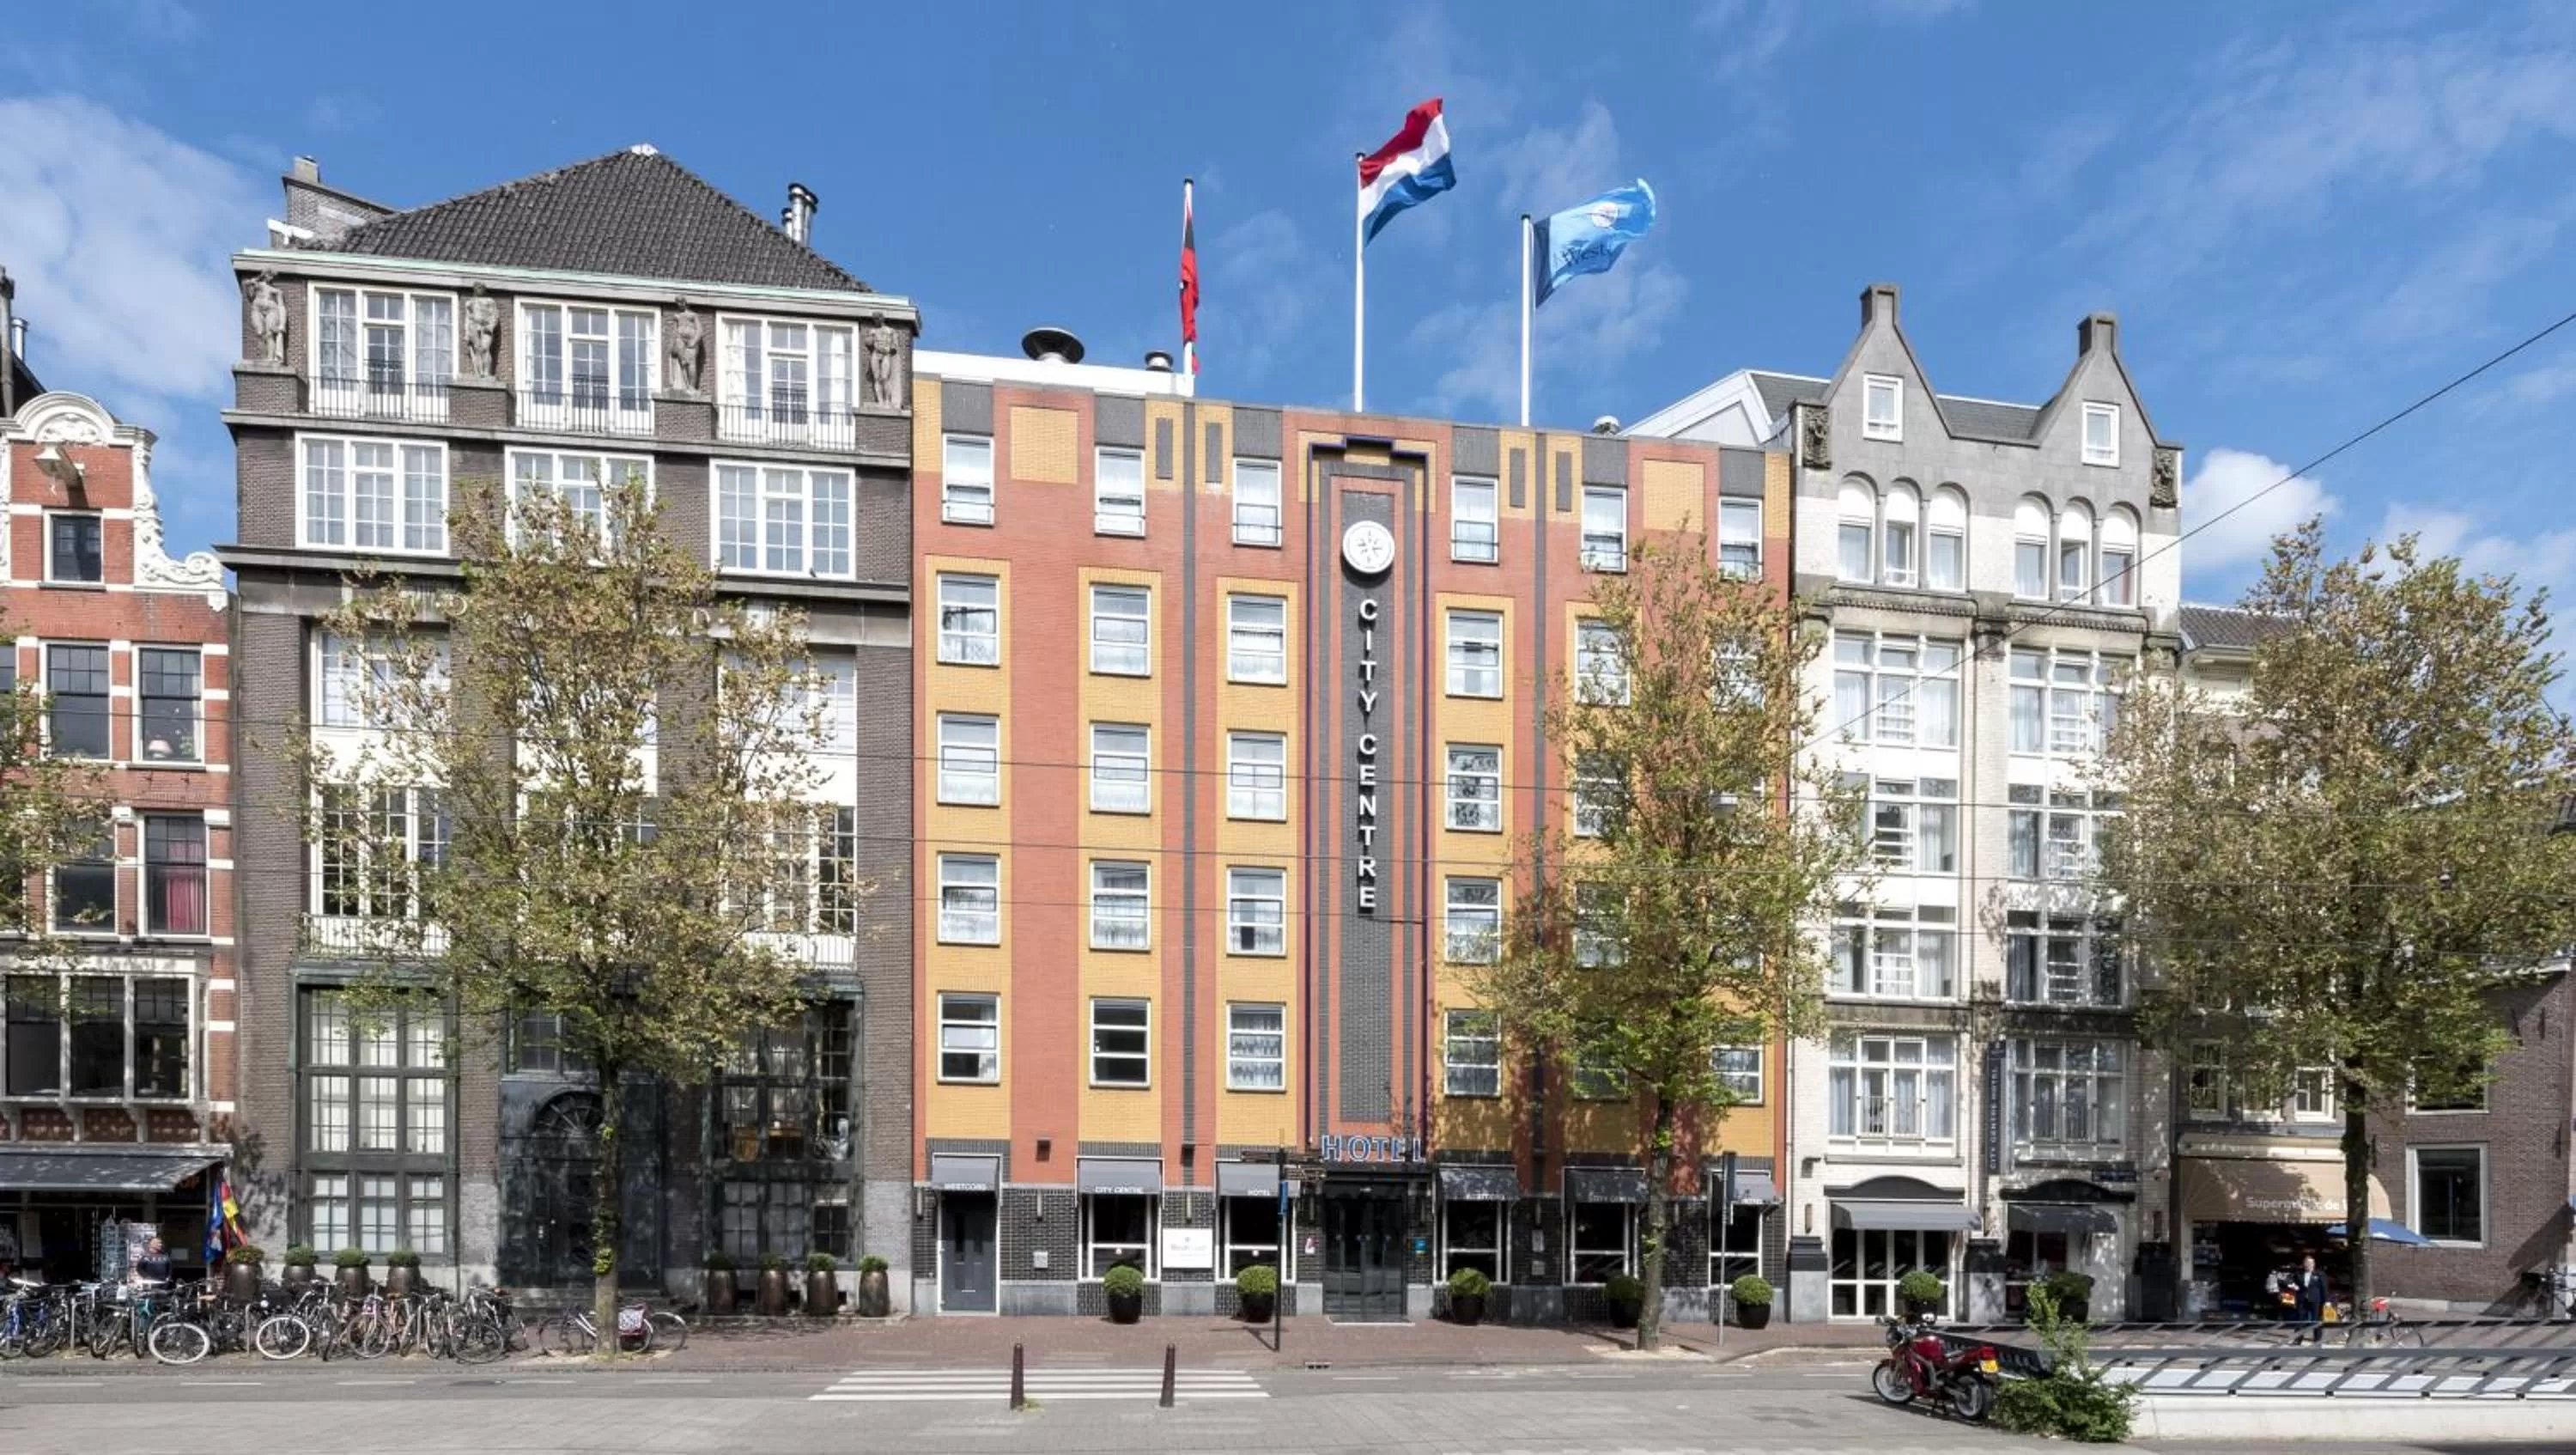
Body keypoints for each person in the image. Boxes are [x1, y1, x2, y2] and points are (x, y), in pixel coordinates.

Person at [2290, 1254, 2330, 1342]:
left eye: (2311, 1263)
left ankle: (2317, 1340)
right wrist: (2293, 1286)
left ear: (2314, 1264)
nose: (2309, 1265)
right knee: (2300, 1319)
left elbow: (2324, 1287)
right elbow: (2290, 1280)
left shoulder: (2319, 1274)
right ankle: (2298, 1339)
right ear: (2304, 1264)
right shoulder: (2299, 1274)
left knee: (2316, 1319)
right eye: (2307, 1263)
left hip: (2316, 1300)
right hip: (2302, 1299)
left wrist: (2327, 1300)